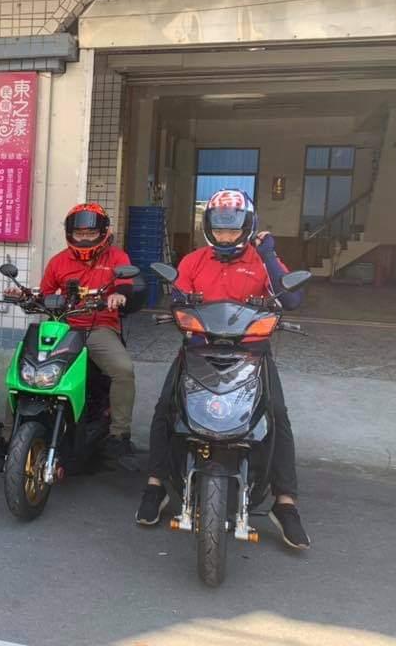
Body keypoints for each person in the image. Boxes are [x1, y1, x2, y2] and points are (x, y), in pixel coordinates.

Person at [135, 189, 310, 550]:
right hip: (199, 349)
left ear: (248, 227)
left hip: (252, 353)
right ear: (208, 228)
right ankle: (155, 484)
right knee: (166, 408)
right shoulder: (194, 260)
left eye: (233, 230)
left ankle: (285, 502)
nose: (226, 237)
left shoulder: (261, 259)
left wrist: (269, 254)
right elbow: (177, 298)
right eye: (220, 230)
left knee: (276, 415)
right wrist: (181, 304)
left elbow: (291, 298)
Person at [0, 203, 137, 464]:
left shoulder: (117, 258)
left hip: (99, 327)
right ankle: (6, 438)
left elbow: (125, 286)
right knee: (20, 373)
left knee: (123, 369)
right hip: (63, 326)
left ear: (103, 233)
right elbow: (45, 293)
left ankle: (119, 434)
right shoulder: (59, 261)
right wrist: (24, 295)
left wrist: (118, 296)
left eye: (90, 233)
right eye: (79, 233)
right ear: (70, 234)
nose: (84, 239)